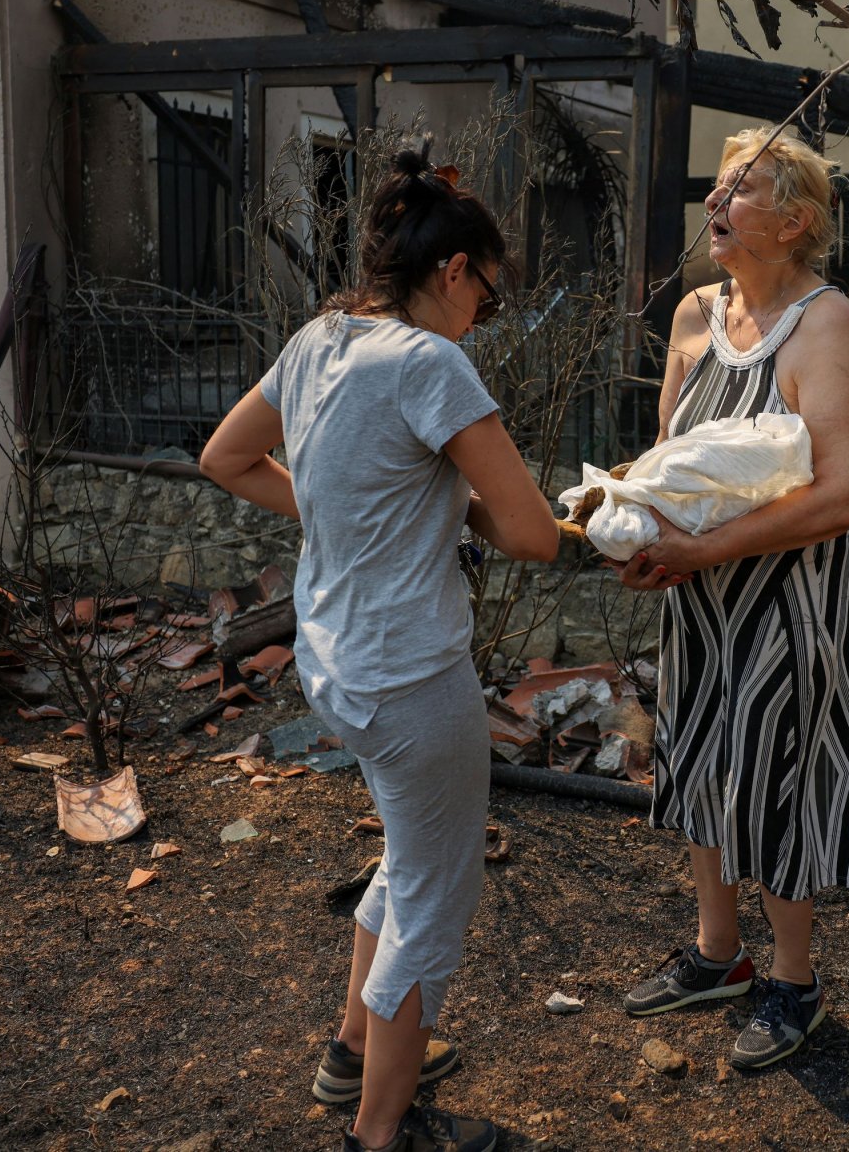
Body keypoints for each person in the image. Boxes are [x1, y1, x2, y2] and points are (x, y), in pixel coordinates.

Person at [200, 151, 557, 1152]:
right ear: (453, 273)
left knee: (410, 852)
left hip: (334, 658)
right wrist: (475, 512)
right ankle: (378, 1130)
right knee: (436, 892)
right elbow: (530, 533)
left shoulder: (321, 338)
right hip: (411, 676)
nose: (483, 318)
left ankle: (354, 1048)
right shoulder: (430, 365)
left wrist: (346, 512)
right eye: (488, 298)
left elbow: (223, 455)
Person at [613, 128, 849, 1070]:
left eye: (743, 189)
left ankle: (794, 980)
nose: (716, 204)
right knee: (696, 762)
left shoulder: (824, 321)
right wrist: (635, 537)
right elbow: (666, 473)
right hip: (698, 601)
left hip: (790, 609)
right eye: (718, 188)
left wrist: (703, 548)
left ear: (797, 220)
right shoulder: (692, 315)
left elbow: (845, 494)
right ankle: (718, 956)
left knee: (778, 773)